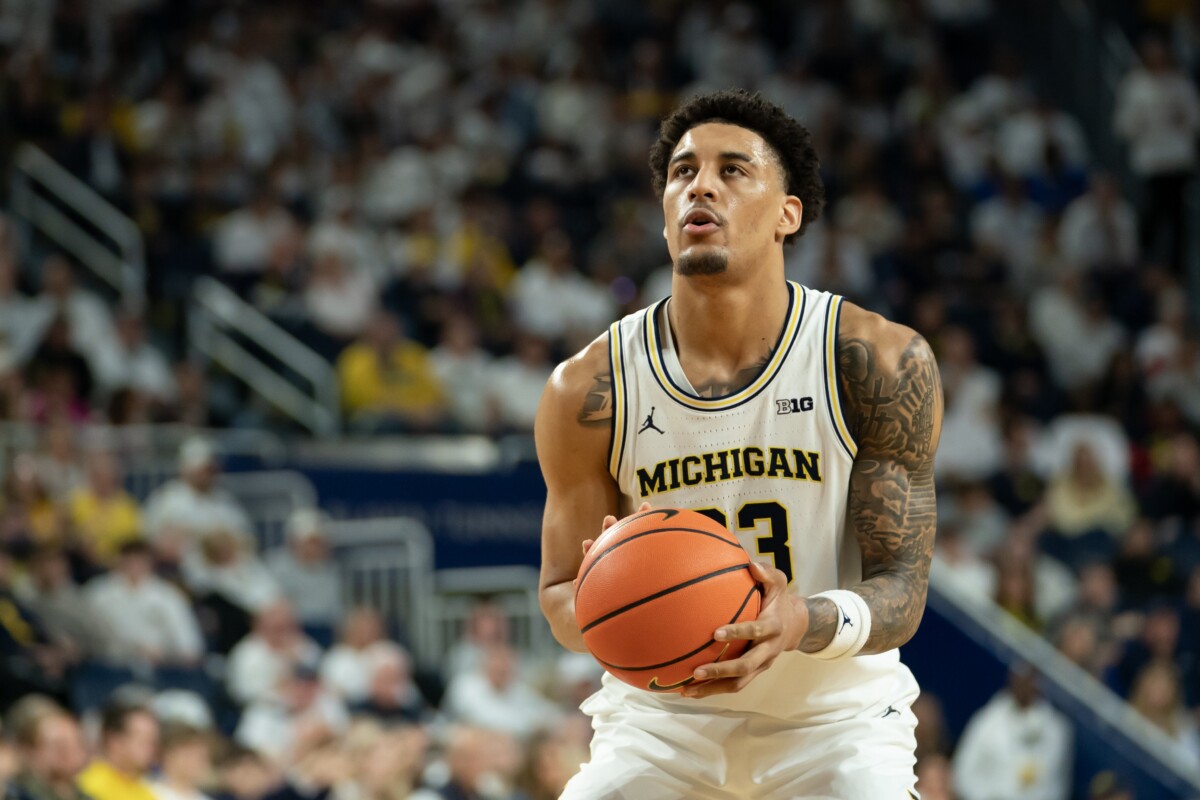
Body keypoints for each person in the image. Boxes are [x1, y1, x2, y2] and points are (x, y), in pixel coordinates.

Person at [535, 89, 944, 798]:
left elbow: (903, 592)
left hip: (834, 720)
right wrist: (607, 585)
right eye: (683, 172)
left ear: (788, 214)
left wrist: (800, 619)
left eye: (733, 170)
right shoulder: (588, 388)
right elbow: (559, 599)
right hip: (662, 724)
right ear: (665, 212)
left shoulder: (875, 361)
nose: (701, 185)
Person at [6, 699, 90, 800]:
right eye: (59, 745)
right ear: (28, 751)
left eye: (76, 741)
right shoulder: (17, 793)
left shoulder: (84, 793)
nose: (71, 751)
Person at [76, 702, 160, 800]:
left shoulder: (146, 790)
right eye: (142, 738)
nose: (150, 746)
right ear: (114, 741)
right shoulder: (90, 786)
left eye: (153, 739)